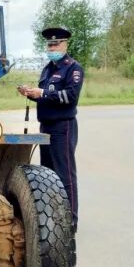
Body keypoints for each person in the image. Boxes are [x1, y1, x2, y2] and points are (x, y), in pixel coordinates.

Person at [17, 26, 83, 229]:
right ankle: (53, 214)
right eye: (50, 44)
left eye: (56, 43)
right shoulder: (48, 69)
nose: (53, 46)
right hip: (45, 125)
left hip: (63, 126)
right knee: (47, 173)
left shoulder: (73, 68)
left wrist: (43, 93)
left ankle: (70, 220)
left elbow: (70, 97)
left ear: (65, 44)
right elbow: (46, 98)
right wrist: (31, 94)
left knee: (64, 173)